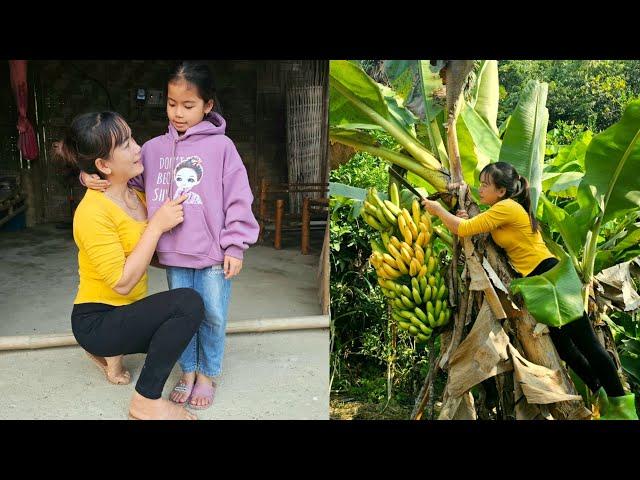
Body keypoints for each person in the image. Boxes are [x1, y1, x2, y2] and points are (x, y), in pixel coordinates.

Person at [81, 61, 260, 410]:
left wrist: (235, 245)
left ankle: (207, 375)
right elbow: (124, 179)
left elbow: (240, 197)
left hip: (211, 255)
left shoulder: (222, 149)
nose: (178, 113)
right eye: (171, 104)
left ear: (208, 105)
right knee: (185, 317)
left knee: (213, 314)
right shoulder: (153, 149)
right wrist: (89, 177)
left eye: (189, 106)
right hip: (175, 255)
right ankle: (189, 371)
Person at [422, 161, 638, 420]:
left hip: (550, 276)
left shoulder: (507, 207)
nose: (480, 189)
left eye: (485, 185)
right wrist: (467, 218)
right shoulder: (501, 210)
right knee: (565, 348)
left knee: (588, 344)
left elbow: (463, 229)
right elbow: (476, 227)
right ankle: (602, 395)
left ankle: (625, 410)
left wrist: (436, 210)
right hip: (538, 279)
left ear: (501, 191)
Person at [62, 111, 205, 420]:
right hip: (96, 321)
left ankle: (113, 355)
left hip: (127, 313)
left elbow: (150, 256)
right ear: (103, 165)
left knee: (182, 310)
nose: (138, 148)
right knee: (188, 304)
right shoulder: (91, 213)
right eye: (125, 144)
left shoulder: (138, 196)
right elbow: (123, 282)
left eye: (132, 138)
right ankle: (145, 401)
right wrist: (155, 227)